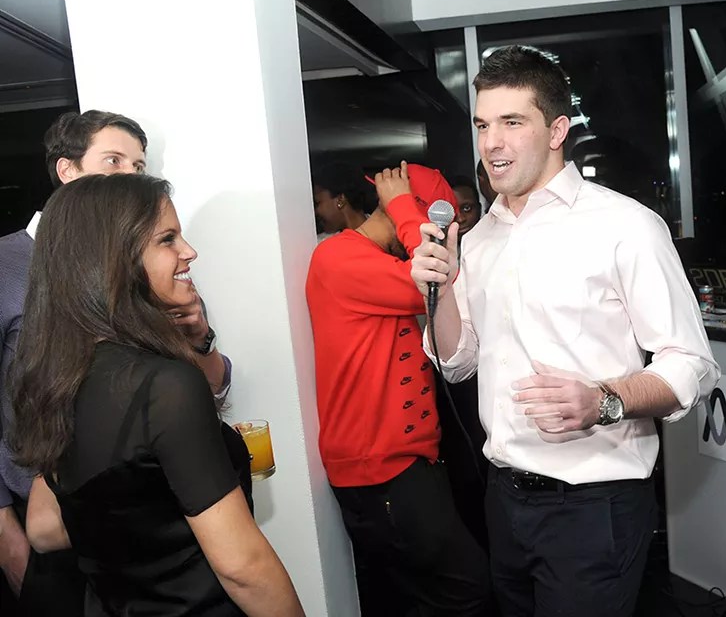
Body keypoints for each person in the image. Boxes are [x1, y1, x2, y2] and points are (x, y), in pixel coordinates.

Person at [410, 45, 720, 617]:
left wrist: (604, 401)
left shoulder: (626, 226)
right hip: (504, 499)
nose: (491, 143)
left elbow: (691, 365)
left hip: (594, 507)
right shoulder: (476, 241)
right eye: (482, 125)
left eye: (511, 122)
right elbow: (457, 362)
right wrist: (443, 289)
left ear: (557, 130)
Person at [9, 173, 303, 616]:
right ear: (115, 259)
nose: (189, 251)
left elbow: (47, 530)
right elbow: (244, 568)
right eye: (168, 239)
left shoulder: (57, 383)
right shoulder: (163, 386)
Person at [0, 110, 232, 614]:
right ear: (67, 171)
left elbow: (207, 388)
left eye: (139, 165)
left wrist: (200, 339)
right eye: (114, 161)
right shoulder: (8, 266)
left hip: (161, 515)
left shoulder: (151, 269)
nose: (131, 174)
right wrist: (9, 539)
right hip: (52, 521)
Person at [306, 162, 491, 616]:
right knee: (469, 588)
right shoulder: (337, 256)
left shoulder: (375, 262)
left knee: (423, 597)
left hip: (403, 464)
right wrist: (406, 209)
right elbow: (433, 285)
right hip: (380, 469)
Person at [311, 158, 377, 242]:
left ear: (340, 200)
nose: (315, 212)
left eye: (317, 203)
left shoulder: (386, 235)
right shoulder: (319, 243)